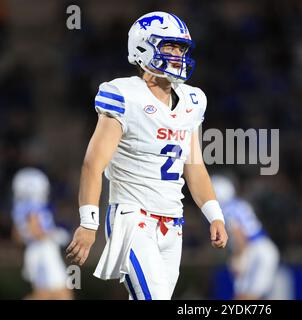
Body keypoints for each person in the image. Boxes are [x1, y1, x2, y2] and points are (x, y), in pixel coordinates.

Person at [65, 11, 228, 300]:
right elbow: (93, 163)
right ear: (143, 46)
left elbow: (194, 165)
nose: (178, 55)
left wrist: (214, 215)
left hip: (173, 222)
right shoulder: (125, 94)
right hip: (133, 218)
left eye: (181, 48)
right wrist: (88, 223)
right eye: (169, 46)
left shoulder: (193, 100)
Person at [211, 175, 279, 300]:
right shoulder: (239, 203)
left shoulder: (225, 209)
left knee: (245, 297)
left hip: (254, 250)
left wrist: (238, 257)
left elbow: (239, 235)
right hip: (260, 247)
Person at [11, 167, 73, 300]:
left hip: (39, 252)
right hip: (43, 253)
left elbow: (17, 236)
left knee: (54, 294)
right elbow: (36, 232)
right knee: (58, 294)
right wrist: (56, 235)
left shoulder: (20, 207)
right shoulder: (31, 206)